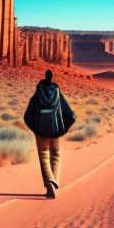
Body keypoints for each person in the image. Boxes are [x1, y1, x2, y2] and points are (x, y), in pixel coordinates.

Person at [23, 69, 76, 199]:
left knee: (44, 157)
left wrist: (35, 128)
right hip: (55, 129)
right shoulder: (58, 92)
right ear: (52, 78)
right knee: (56, 155)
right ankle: (54, 182)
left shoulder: (38, 93)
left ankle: (50, 183)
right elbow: (69, 113)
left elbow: (27, 115)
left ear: (44, 77)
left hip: (41, 131)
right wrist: (62, 128)